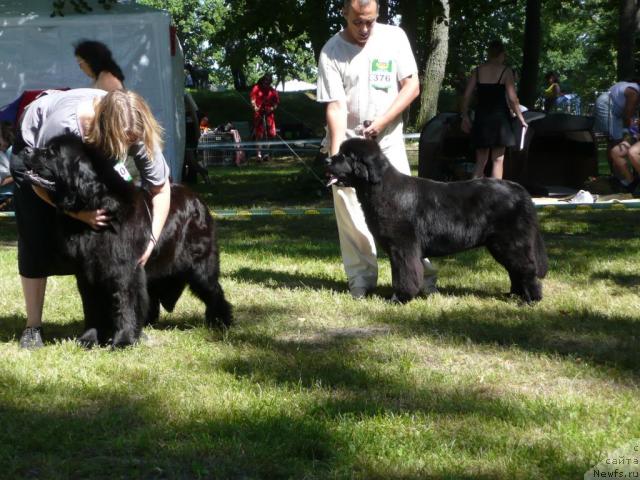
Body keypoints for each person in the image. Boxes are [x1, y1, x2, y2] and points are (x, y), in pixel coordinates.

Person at [9, 88, 171, 349]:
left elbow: (160, 189)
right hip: (36, 143)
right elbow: (40, 182)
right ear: (107, 128)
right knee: (35, 232)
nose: (130, 146)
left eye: (133, 141)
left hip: (96, 135)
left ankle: (116, 323)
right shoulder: (63, 126)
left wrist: (150, 241)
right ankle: (33, 326)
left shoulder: (135, 128)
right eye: (124, 141)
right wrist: (79, 214)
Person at [316, 0, 437, 299]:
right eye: (357, 22)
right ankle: (361, 280)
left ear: (378, 13)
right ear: (344, 13)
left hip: (389, 142)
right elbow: (335, 106)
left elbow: (412, 85)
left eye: (369, 21)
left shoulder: (395, 38)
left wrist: (382, 122)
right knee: (351, 215)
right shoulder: (332, 51)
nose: (364, 28)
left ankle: (424, 279)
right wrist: (336, 160)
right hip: (349, 146)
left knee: (408, 216)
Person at [460, 40, 527, 179]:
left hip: (481, 119)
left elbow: (466, 96)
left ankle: (474, 196)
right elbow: (513, 99)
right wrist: (521, 118)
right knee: (498, 161)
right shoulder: (506, 71)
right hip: (500, 121)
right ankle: (496, 198)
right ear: (502, 54)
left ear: (489, 54)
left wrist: (464, 116)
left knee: (480, 162)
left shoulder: (478, 70)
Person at [594, 80, 640, 186]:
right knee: (615, 147)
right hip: (608, 106)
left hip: (611, 106)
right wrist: (633, 131)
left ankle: (621, 178)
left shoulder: (630, 87)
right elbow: (628, 115)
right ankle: (628, 182)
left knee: (630, 150)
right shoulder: (634, 92)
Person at [250, 73, 279, 161]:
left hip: (269, 115)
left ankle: (267, 154)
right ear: (262, 80)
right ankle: (258, 155)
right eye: (265, 79)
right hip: (259, 114)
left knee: (270, 134)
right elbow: (252, 99)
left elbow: (276, 103)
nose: (266, 81)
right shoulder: (256, 88)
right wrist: (254, 106)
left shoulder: (273, 91)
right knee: (259, 134)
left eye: (268, 80)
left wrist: (271, 108)